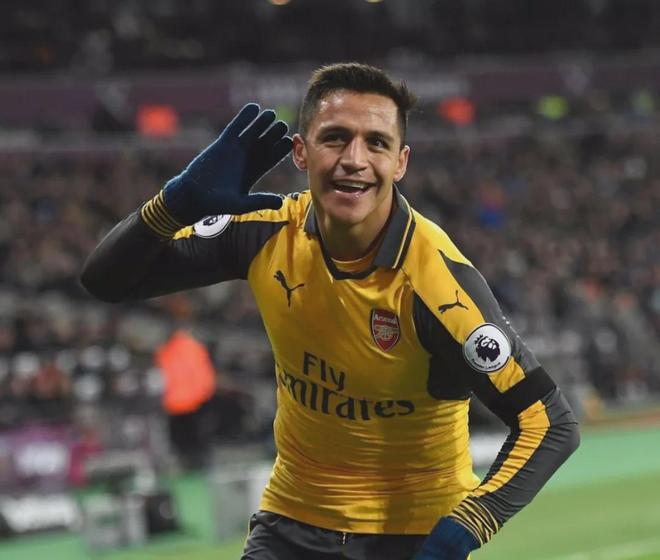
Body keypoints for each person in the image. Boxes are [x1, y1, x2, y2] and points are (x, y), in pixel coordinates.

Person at [80, 62, 580, 560]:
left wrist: (464, 528)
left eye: (376, 143)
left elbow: (550, 423)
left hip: (410, 535)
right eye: (335, 138)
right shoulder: (265, 231)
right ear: (301, 151)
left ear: (400, 162)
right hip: (290, 523)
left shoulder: (438, 286)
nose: (354, 160)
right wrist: (176, 203)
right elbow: (105, 280)